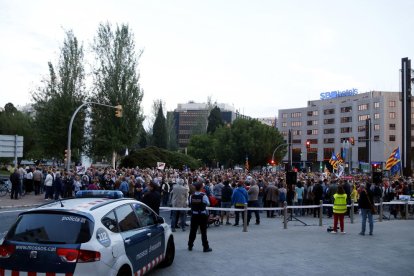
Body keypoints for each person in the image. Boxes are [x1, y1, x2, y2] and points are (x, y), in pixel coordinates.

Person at [188, 181, 212, 252]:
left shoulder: (191, 196)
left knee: (192, 231)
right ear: (201, 187)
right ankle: (205, 247)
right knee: (203, 232)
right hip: (202, 215)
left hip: (194, 215)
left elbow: (190, 203)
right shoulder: (203, 196)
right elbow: (208, 204)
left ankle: (190, 245)